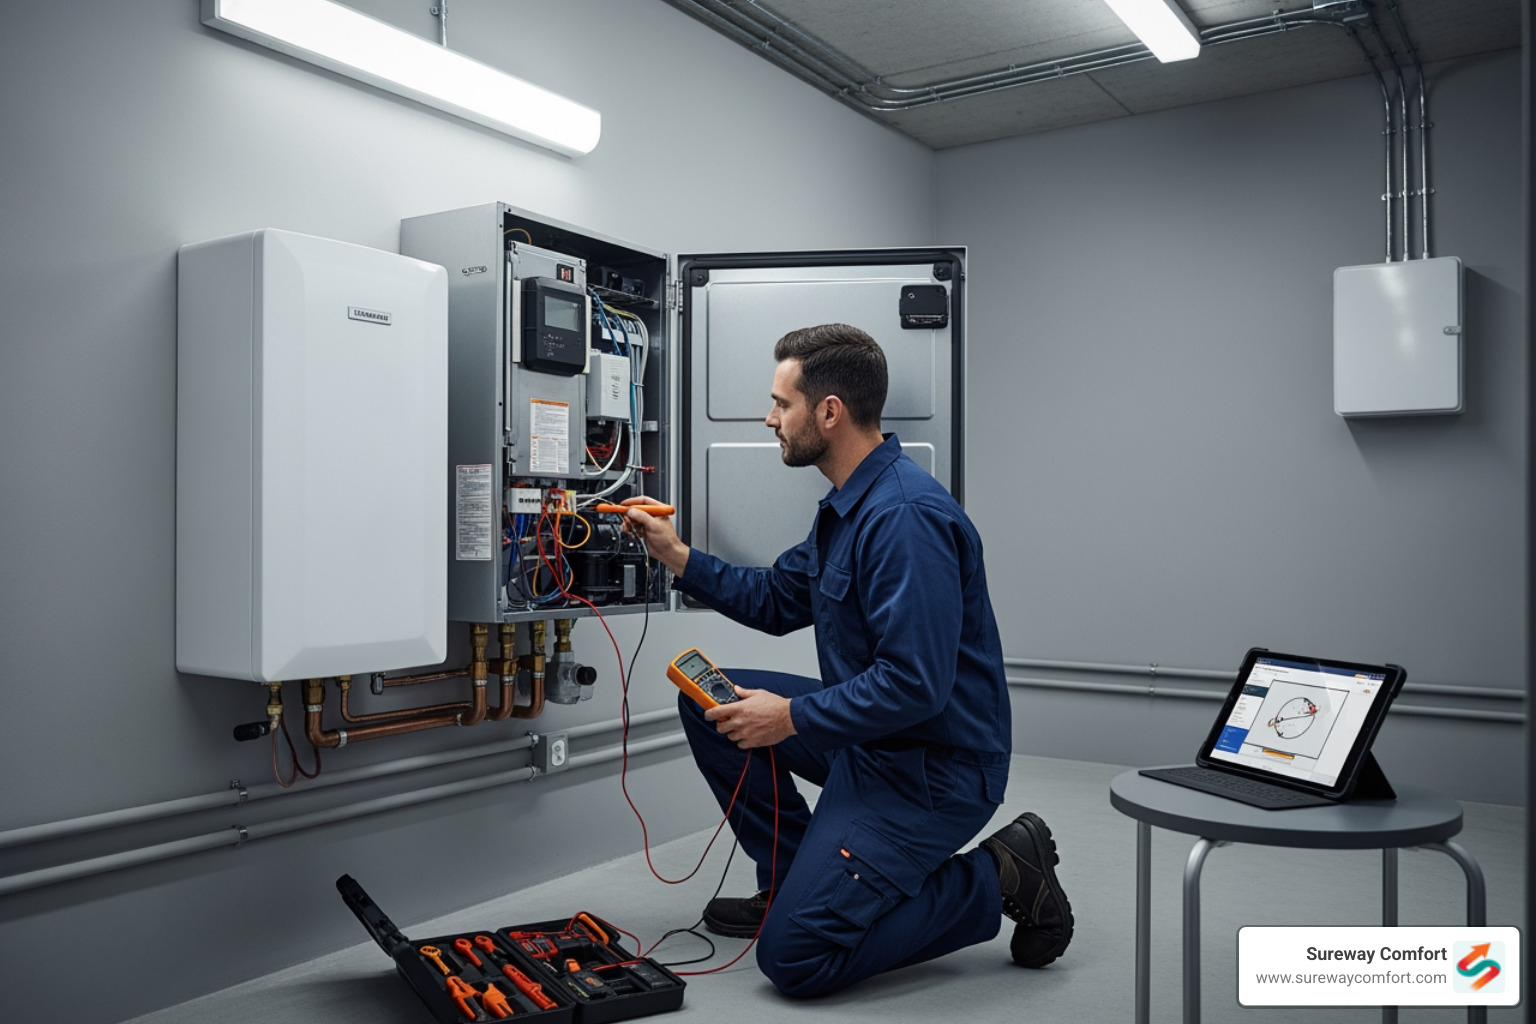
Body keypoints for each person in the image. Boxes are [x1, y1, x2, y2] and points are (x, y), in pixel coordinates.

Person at [621, 323, 1072, 997]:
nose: (768, 418)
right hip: (872, 744)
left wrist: (793, 718)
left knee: (797, 959)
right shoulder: (847, 507)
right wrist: (677, 557)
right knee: (708, 700)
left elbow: (915, 685)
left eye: (782, 403)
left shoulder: (905, 519)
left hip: (933, 772)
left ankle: (1002, 872)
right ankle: (791, 882)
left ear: (829, 412)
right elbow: (778, 599)